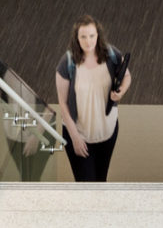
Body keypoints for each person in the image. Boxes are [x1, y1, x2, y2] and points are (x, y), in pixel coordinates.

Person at [53, 15, 132, 182]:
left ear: (98, 36)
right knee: (86, 186)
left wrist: (121, 92)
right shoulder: (67, 63)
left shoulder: (111, 54)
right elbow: (63, 103)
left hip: (108, 133)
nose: (88, 41)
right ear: (76, 38)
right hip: (79, 136)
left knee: (101, 181)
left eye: (92, 36)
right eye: (83, 36)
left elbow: (127, 76)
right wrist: (75, 137)